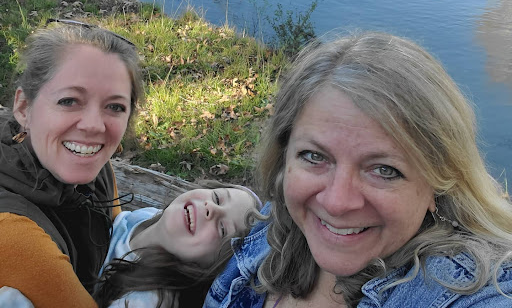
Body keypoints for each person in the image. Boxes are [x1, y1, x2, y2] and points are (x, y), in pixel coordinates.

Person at [204, 32, 512, 308]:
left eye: (384, 170)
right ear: (285, 157)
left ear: (438, 183)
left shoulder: (472, 291)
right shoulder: (274, 227)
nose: (336, 203)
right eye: (314, 156)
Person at [0, 19, 144, 308]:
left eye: (115, 107)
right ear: (24, 108)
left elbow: (117, 243)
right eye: (69, 101)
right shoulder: (14, 234)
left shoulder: (96, 169)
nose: (94, 126)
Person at [95, 182, 263, 308]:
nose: (211, 208)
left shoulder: (146, 300)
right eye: (217, 198)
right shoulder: (150, 215)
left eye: (222, 229)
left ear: (209, 269)